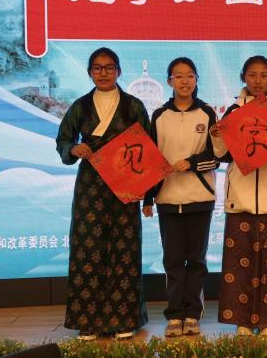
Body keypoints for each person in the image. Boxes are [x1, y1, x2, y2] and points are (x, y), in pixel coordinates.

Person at [56, 47, 149, 340]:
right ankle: (88, 320)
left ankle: (124, 319)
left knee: (125, 248)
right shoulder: (80, 106)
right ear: (90, 73)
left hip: (124, 183)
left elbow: (148, 148)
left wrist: (144, 192)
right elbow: (63, 139)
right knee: (87, 248)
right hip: (90, 184)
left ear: (118, 71)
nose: (104, 73)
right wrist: (74, 148)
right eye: (97, 68)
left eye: (109, 68)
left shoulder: (134, 106)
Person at [210, 56, 267, 336]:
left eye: (263, 75)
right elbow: (221, 154)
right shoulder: (234, 111)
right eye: (252, 75)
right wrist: (217, 135)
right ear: (243, 77)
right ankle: (243, 321)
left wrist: (262, 151)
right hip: (240, 200)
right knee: (239, 267)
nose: (258, 81)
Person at [143, 57, 219, 337]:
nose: (184, 81)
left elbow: (218, 155)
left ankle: (193, 314)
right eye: (178, 76)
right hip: (167, 198)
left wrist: (192, 163)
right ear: (169, 81)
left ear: (196, 79)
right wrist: (148, 197)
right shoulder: (159, 115)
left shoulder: (208, 113)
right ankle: (175, 315)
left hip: (200, 197)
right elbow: (151, 159)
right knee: (173, 260)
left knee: (196, 260)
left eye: (190, 75)